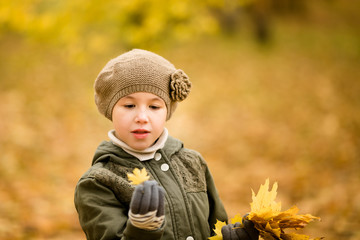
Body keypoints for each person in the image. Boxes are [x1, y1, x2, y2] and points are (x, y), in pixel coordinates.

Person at [74, 49, 259, 240]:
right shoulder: (99, 182)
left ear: (167, 111)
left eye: (154, 107)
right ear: (110, 109)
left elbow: (215, 228)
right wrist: (142, 229)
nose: (142, 117)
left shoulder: (193, 163)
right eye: (129, 106)